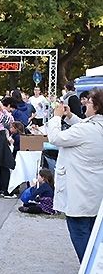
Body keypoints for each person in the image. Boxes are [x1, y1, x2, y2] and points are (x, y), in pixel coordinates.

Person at [47, 88, 103, 263]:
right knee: (92, 230)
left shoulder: (87, 130)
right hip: (93, 188)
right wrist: (70, 117)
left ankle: (86, 271)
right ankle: (91, 269)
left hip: (79, 187)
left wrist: (56, 117)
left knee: (79, 230)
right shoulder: (95, 127)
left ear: (97, 107)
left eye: (89, 102)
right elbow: (83, 126)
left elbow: (56, 138)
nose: (85, 103)